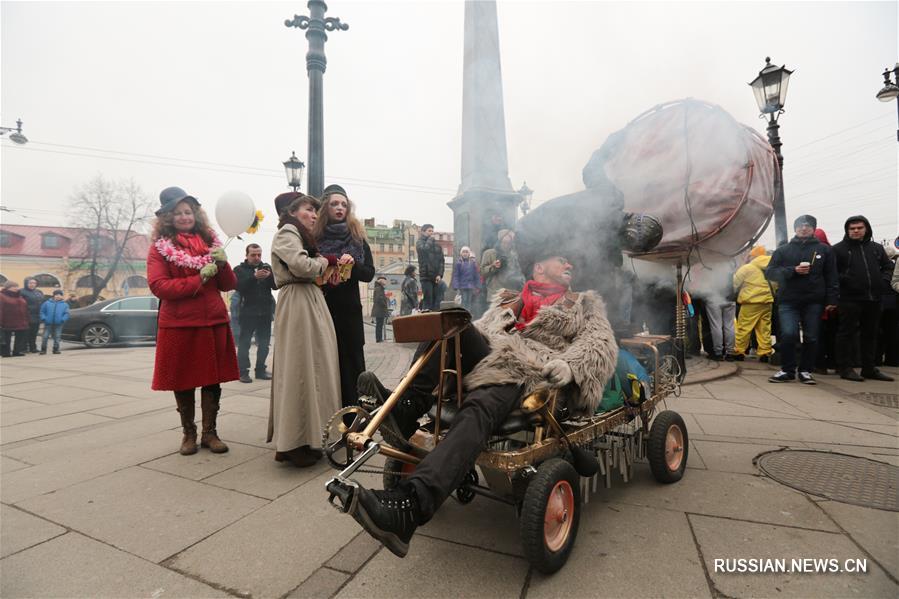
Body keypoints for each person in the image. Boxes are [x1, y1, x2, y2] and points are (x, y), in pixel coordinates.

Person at [351, 253, 617, 558]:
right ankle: (407, 406)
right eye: (562, 259)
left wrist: (571, 365)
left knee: (485, 397)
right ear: (539, 266)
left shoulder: (583, 303)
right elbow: (479, 331)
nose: (570, 263)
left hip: (533, 372)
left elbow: (600, 343)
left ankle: (412, 505)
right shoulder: (508, 300)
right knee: (449, 321)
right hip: (492, 355)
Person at [147, 186, 237, 456]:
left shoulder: (211, 243)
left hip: (212, 320)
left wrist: (223, 264)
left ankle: (210, 432)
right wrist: (199, 279)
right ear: (167, 218)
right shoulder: (159, 249)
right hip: (180, 324)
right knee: (183, 380)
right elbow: (160, 286)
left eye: (189, 211)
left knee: (212, 380)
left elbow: (229, 284)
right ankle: (189, 433)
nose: (185, 216)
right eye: (178, 213)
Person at [268, 192, 341, 468]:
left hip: (306, 299)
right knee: (300, 368)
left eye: (314, 211)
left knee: (311, 368)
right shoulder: (287, 232)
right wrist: (325, 261)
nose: (313, 215)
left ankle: (306, 437)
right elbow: (301, 266)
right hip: (298, 302)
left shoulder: (299, 235)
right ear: (292, 212)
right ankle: (293, 442)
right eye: (309, 209)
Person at [315, 184, 376, 409]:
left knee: (353, 365)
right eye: (334, 204)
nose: (340, 208)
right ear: (325, 209)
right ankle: (329, 413)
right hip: (323, 308)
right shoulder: (315, 238)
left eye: (344, 204)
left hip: (349, 312)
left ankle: (355, 418)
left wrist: (354, 265)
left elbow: (369, 274)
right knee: (326, 363)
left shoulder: (357, 238)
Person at [765, 215, 838, 384]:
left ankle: (805, 370)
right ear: (795, 229)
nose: (804, 228)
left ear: (813, 229)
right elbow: (770, 272)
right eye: (800, 225)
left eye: (808, 225)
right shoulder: (783, 250)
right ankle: (787, 369)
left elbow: (831, 276)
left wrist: (832, 299)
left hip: (814, 300)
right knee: (788, 334)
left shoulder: (824, 250)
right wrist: (792, 270)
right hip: (788, 300)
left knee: (812, 337)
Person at [832, 215, 895, 382]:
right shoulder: (838, 249)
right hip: (849, 299)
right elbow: (831, 273)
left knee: (871, 333)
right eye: (852, 228)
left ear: (866, 228)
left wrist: (884, 280)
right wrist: (846, 279)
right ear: (847, 230)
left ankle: (869, 368)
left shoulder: (876, 248)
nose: (856, 231)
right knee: (846, 333)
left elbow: (888, 266)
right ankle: (845, 368)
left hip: (873, 298)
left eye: (859, 228)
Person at [234, 244, 276, 383]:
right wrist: (254, 277)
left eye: (259, 254)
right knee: (244, 343)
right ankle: (243, 372)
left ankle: (260, 370)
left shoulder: (267, 267)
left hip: (265, 312)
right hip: (247, 312)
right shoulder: (239, 270)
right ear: (246, 255)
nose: (257, 257)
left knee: (264, 344)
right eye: (253, 255)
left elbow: (276, 286)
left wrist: (270, 276)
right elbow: (239, 286)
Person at [732, 246, 773, 362]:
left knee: (744, 327)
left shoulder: (747, 268)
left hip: (751, 302)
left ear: (752, 256)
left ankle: (739, 351)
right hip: (767, 301)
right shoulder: (770, 266)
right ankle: (765, 352)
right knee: (764, 328)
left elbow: (734, 283)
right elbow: (775, 284)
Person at [480, 229, 524, 302]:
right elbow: (482, 272)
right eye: (505, 242)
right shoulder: (489, 253)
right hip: (495, 294)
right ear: (500, 240)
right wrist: (493, 266)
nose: (507, 245)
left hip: (512, 294)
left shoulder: (514, 255)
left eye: (510, 242)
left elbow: (520, 273)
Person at [415, 224, 445, 311]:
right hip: (426, 276)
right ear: (423, 232)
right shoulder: (419, 242)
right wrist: (430, 240)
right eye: (429, 231)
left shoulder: (437, 245)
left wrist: (440, 274)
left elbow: (441, 261)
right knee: (428, 300)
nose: (431, 233)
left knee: (437, 301)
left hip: (436, 277)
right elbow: (424, 250)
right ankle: (425, 321)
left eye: (432, 231)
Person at [0, 281, 29, 357]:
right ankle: (6, 352)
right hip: (7, 321)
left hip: (21, 321)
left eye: (17, 286)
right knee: (6, 338)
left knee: (20, 337)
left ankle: (17, 351)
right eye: (14, 287)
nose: (17, 288)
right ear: (8, 288)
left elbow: (25, 308)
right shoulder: (2, 296)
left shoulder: (19, 296)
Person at [39, 290, 70, 354]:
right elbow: (42, 311)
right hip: (48, 323)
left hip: (59, 323)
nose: (58, 296)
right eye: (56, 295)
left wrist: (63, 319)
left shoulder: (65, 305)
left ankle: (56, 349)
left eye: (60, 295)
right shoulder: (47, 303)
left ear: (61, 296)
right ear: (54, 295)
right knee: (45, 337)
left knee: (57, 337)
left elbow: (66, 313)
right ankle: (43, 350)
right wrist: (44, 318)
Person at [451, 246, 480, 312]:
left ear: (469, 254)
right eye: (463, 252)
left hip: (470, 286)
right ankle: (463, 315)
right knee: (463, 301)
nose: (465, 254)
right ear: (461, 253)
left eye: (466, 252)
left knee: (469, 302)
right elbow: (456, 275)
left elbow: (476, 275)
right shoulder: (459, 263)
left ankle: (468, 314)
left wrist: (478, 285)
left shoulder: (472, 264)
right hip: (462, 287)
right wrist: (456, 286)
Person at [20, 278, 44, 353]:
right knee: (25, 333)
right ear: (26, 283)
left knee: (34, 333)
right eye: (30, 283)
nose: (32, 284)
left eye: (34, 283)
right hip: (26, 316)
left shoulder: (38, 292)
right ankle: (23, 348)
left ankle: (33, 348)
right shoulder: (22, 292)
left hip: (37, 316)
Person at [371, 276, 389, 343]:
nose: (385, 282)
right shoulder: (379, 288)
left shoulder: (378, 288)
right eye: (384, 281)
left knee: (379, 325)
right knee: (379, 325)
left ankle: (379, 338)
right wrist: (384, 304)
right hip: (379, 310)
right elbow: (379, 298)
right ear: (381, 281)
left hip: (379, 309)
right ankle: (379, 339)